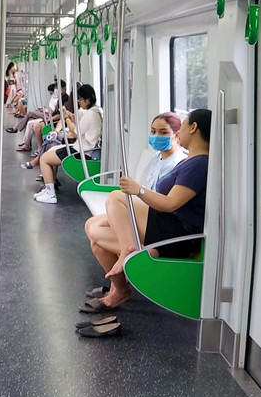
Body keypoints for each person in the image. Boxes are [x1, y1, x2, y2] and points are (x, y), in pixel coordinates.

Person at [84, 109, 211, 311]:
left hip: (178, 234)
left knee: (117, 197)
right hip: (166, 225)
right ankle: (121, 288)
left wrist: (139, 190)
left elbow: (171, 203)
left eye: (184, 126)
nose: (182, 132)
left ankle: (128, 251)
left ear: (193, 127)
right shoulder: (191, 161)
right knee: (93, 231)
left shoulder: (199, 164)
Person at [34, 84, 103, 204]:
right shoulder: (96, 111)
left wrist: (66, 118)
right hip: (84, 148)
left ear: (88, 99)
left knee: (44, 159)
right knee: (51, 150)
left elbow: (75, 132)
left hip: (81, 152)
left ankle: (50, 194)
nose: (79, 102)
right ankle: (49, 187)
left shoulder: (91, 114)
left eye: (81, 99)